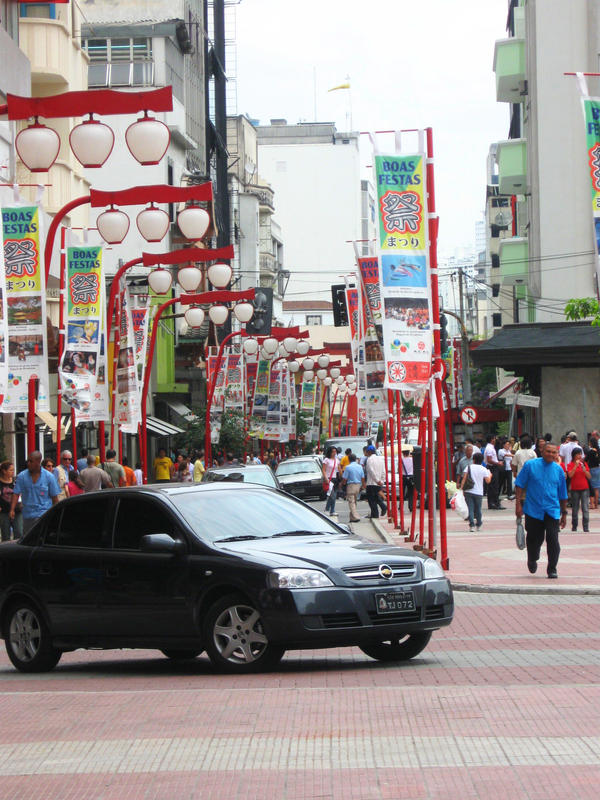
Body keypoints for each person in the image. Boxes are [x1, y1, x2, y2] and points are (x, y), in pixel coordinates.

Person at [515, 442, 568, 579]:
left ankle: (552, 568)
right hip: (533, 509)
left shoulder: (559, 470)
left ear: (557, 454)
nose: (551, 454)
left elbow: (563, 494)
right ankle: (532, 558)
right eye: (548, 451)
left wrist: (564, 514)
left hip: (552, 510)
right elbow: (519, 484)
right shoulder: (530, 466)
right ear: (542, 451)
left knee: (553, 539)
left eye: (553, 452)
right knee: (534, 538)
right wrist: (518, 505)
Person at [10, 451, 60, 534]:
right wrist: (12, 509)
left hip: (44, 515)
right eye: (28, 461)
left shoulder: (49, 477)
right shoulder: (21, 476)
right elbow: (16, 494)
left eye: (31, 461)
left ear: (38, 462)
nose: (28, 463)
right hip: (28, 516)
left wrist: (56, 515)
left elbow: (55, 498)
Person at [460, 451, 492, 532]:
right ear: (482, 460)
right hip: (479, 492)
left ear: (473, 460)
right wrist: (490, 475)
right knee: (478, 509)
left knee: (470, 509)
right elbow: (488, 481)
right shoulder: (484, 469)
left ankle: (472, 526)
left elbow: (464, 478)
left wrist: (461, 488)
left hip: (468, 491)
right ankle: (479, 524)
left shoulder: (468, 467)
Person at [567, 447, 591, 532]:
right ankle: (574, 526)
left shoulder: (584, 464)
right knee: (575, 508)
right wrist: (575, 466)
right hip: (575, 489)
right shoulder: (570, 464)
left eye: (580, 454)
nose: (580, 456)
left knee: (585, 508)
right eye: (578, 454)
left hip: (584, 488)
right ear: (574, 455)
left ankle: (586, 526)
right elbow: (570, 475)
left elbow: (589, 476)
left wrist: (584, 469)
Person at [0, 461, 23, 541]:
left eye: (13, 470)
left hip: (17, 510)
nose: (12, 472)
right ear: (4, 471)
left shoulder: (16, 481)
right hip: (4, 511)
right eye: (10, 470)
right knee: (5, 534)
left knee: (19, 532)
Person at [364, 444, 387, 519]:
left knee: (371, 500)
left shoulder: (369, 459)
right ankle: (383, 507)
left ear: (369, 452)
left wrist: (377, 480)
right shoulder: (380, 459)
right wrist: (382, 481)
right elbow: (384, 471)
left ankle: (375, 514)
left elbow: (371, 471)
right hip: (378, 482)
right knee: (376, 497)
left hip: (371, 483)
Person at [342, 453, 365, 523]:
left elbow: (345, 478)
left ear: (349, 459)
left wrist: (343, 483)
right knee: (354, 501)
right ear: (355, 459)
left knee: (351, 501)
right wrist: (363, 485)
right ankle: (352, 517)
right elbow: (363, 477)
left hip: (351, 485)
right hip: (358, 485)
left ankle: (356, 516)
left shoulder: (348, 467)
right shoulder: (360, 467)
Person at [483, 435, 503, 510]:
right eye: (494, 438)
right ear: (492, 439)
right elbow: (489, 460)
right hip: (492, 467)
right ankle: (493, 503)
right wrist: (498, 463)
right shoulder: (489, 448)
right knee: (493, 486)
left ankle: (494, 502)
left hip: (493, 467)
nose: (495, 440)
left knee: (493, 486)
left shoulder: (490, 447)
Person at [322, 446, 340, 516]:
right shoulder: (326, 460)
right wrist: (326, 478)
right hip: (329, 479)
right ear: (330, 452)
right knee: (332, 495)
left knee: (333, 495)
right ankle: (328, 509)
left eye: (335, 451)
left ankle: (331, 510)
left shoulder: (337, 460)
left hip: (335, 479)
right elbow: (323, 470)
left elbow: (339, 469)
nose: (334, 453)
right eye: (333, 451)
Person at [585, 436, 600, 509]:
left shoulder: (590, 451)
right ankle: (596, 504)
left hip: (592, 469)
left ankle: (592, 504)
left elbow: (586, 460)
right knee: (597, 488)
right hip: (598, 469)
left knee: (592, 487)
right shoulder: (598, 450)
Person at [400, 446, 414, 511]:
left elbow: (399, 469)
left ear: (403, 453)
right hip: (411, 477)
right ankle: (411, 506)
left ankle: (401, 506)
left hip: (404, 477)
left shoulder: (401, 460)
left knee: (402, 492)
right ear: (408, 453)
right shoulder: (412, 459)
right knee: (411, 492)